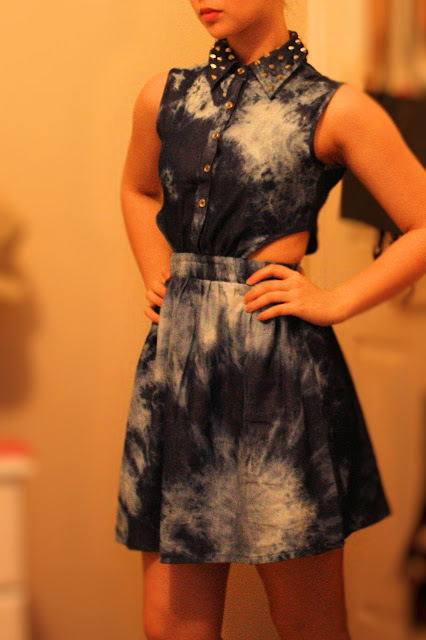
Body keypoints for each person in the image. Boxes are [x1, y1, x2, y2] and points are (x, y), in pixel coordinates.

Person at [114, 1, 426, 638]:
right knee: (170, 626)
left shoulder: (334, 108)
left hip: (277, 379)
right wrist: (156, 270)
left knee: (309, 625)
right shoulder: (163, 97)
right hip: (177, 374)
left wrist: (335, 301)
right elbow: (138, 189)